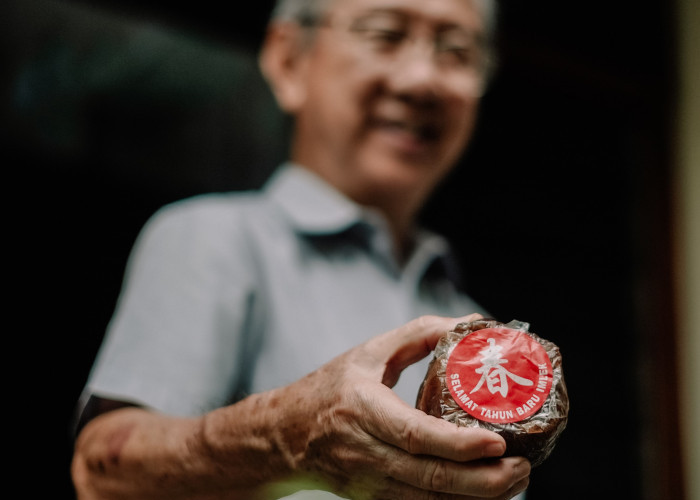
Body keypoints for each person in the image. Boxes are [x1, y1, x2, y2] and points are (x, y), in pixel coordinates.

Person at [71, 0, 531, 498]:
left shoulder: (480, 331)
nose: (421, 79)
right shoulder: (216, 239)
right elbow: (103, 473)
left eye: (457, 50)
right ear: (289, 59)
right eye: (385, 34)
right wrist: (286, 439)